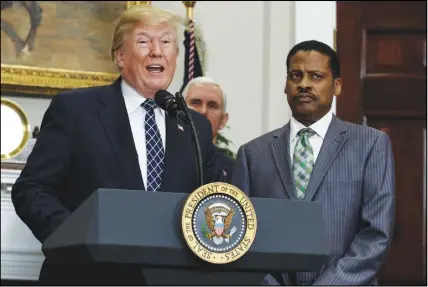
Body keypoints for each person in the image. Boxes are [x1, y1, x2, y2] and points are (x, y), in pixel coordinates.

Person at [11, 5, 219, 285]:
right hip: (88, 275)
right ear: (120, 56)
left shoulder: (195, 126)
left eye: (166, 42)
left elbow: (212, 203)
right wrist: (76, 236)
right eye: (144, 41)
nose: (157, 51)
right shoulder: (76, 110)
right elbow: (31, 189)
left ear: (176, 56)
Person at [232, 40, 395, 285]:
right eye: (295, 76)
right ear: (286, 85)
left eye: (316, 76)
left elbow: (376, 234)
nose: (304, 84)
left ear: (337, 86)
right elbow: (239, 235)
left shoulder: (371, 144)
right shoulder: (252, 153)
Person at [183, 76, 235, 182]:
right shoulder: (161, 161)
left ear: (223, 121)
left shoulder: (236, 172)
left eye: (212, 106)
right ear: (180, 111)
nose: (203, 111)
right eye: (195, 103)